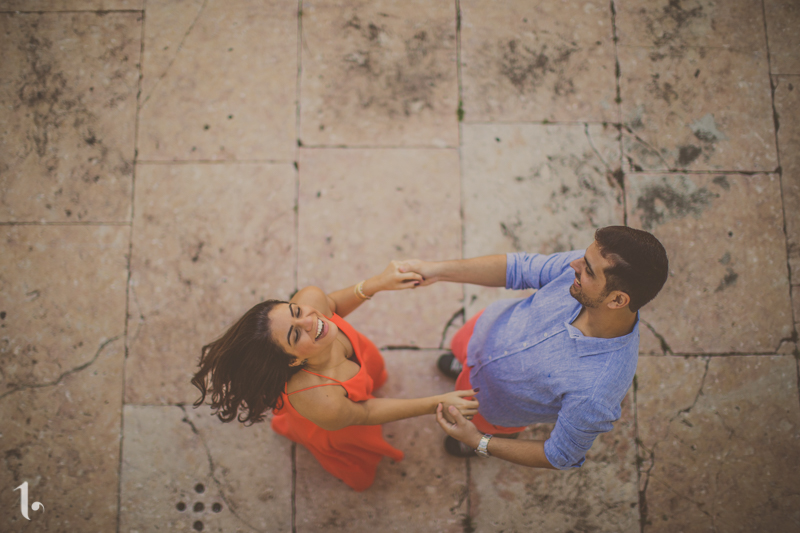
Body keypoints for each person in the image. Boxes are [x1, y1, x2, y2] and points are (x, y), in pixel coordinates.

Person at [191, 261, 479, 491]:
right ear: (294, 361)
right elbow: (364, 412)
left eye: (295, 311)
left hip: (360, 366)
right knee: (359, 469)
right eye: (295, 333)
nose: (311, 320)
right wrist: (434, 403)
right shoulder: (322, 400)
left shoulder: (310, 300)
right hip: (343, 417)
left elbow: (332, 304)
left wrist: (378, 283)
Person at [398, 226, 668, 470]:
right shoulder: (588, 269)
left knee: (475, 423)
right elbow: (520, 268)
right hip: (482, 333)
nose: (573, 264)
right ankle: (464, 363)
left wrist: (478, 440)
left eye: (587, 269)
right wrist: (437, 270)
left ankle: (483, 435)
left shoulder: (596, 391)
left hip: (493, 407)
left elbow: (560, 455)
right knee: (461, 349)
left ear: (618, 299)